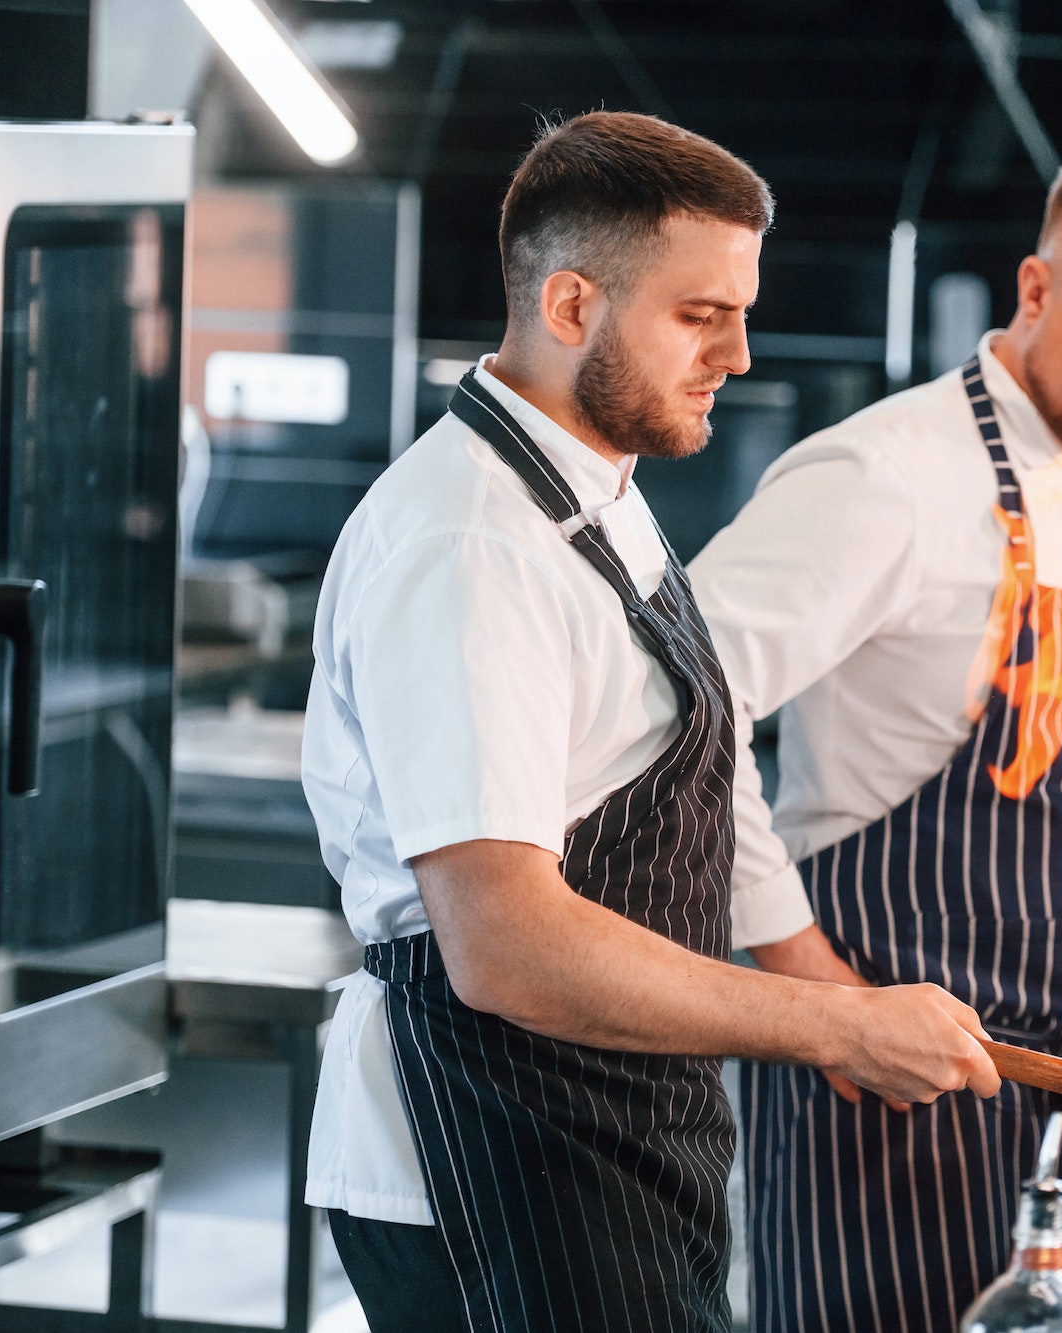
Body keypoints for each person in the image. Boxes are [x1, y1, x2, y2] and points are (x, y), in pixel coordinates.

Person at [300, 111, 999, 1333]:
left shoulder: (593, 488)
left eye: (739, 308)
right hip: (490, 1145)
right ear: (571, 305)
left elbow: (690, 776)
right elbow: (506, 945)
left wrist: (827, 996)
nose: (735, 350)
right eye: (699, 314)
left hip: (609, 1127)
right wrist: (833, 1022)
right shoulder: (471, 543)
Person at [688, 143, 1062, 1333]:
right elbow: (674, 709)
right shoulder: (883, 477)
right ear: (1034, 290)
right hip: (891, 1091)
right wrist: (809, 986)